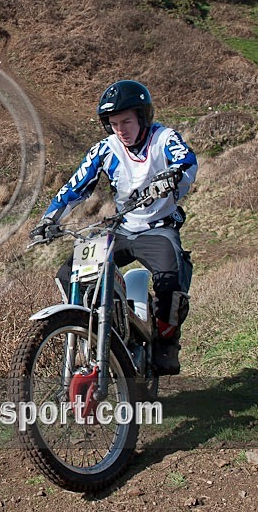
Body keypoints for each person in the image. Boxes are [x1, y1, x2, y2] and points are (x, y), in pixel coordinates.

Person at [30, 80, 198, 375]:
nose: (121, 129)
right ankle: (87, 334)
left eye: (127, 121)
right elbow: (75, 188)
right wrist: (48, 220)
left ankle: (166, 341)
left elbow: (186, 160)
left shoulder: (163, 138)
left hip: (158, 228)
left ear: (143, 117)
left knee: (171, 281)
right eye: (114, 124)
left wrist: (171, 174)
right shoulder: (105, 150)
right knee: (69, 272)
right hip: (120, 229)